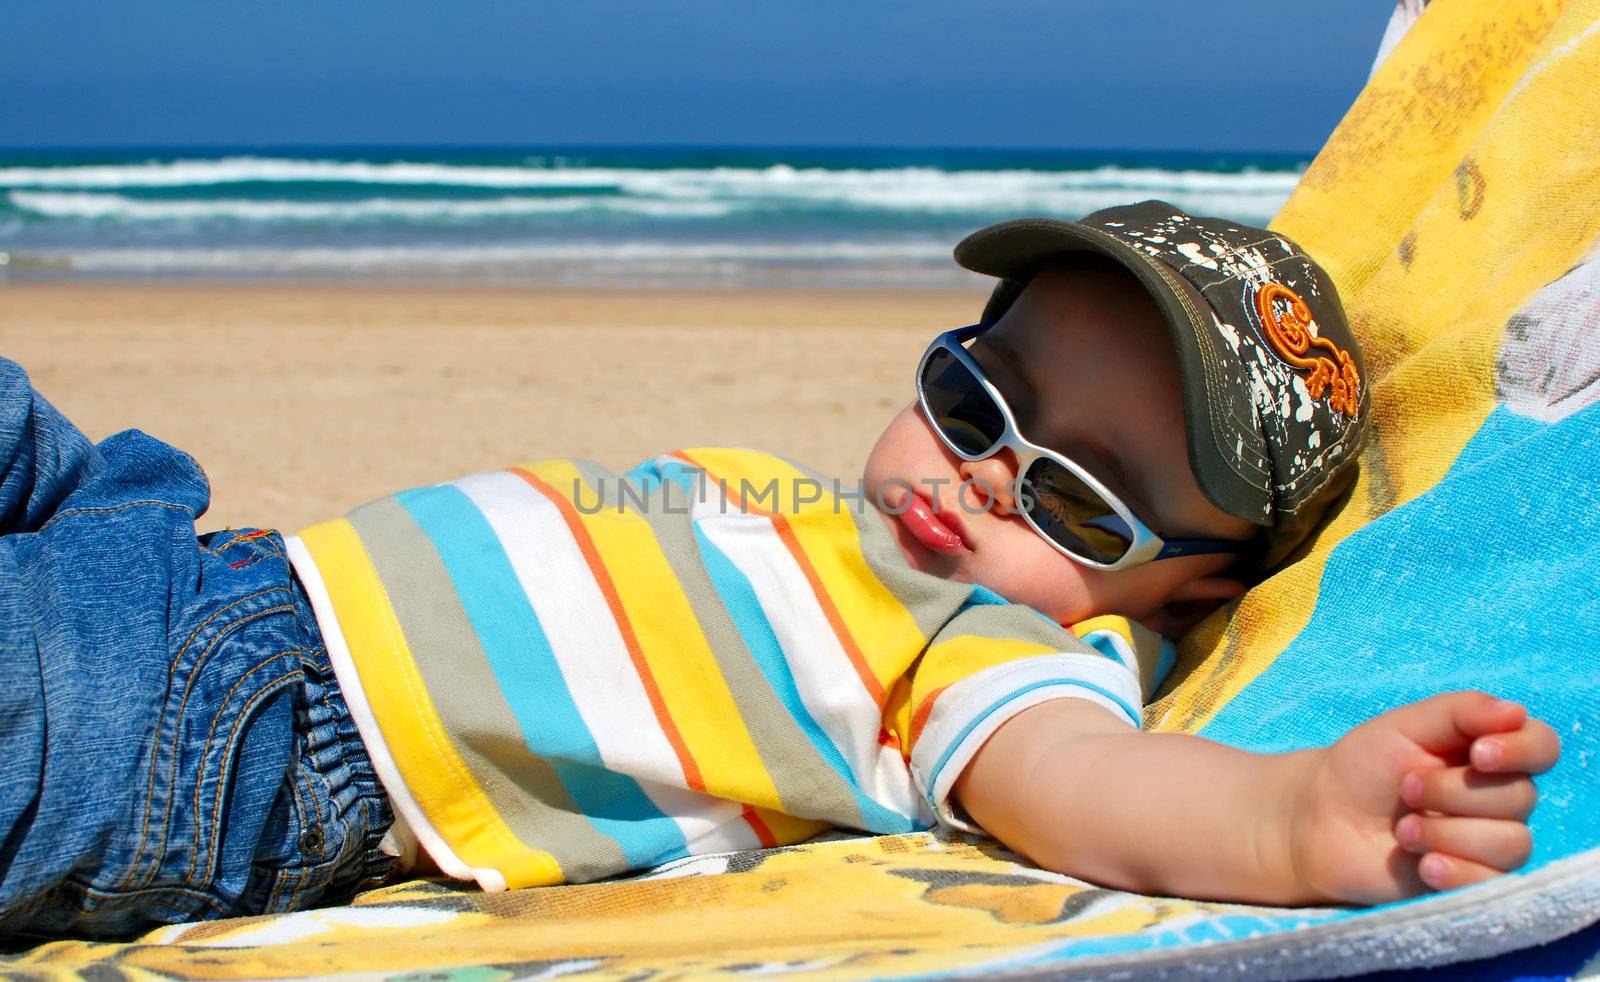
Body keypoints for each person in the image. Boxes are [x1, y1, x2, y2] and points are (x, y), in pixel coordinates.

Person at [0, 201, 1559, 941]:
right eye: (974, 396)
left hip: (246, 741)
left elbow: (1098, 789)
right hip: (199, 556)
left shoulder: (991, 643)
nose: (981, 472)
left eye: (1079, 500)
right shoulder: (843, 524)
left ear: (1187, 598)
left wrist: (1299, 816)